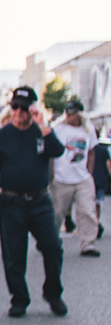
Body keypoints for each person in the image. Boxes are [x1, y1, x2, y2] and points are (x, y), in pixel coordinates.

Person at [0, 85, 66, 317]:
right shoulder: (1, 136)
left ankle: (53, 292)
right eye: (15, 106)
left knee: (53, 247)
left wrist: (44, 126)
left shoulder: (42, 132)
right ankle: (19, 298)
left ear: (33, 109)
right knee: (14, 254)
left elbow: (58, 152)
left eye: (25, 108)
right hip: (11, 202)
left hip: (40, 201)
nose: (19, 112)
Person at [49, 98, 100, 258]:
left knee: (87, 211)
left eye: (73, 114)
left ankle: (87, 244)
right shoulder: (58, 129)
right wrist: (50, 176)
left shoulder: (88, 129)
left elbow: (91, 151)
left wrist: (89, 173)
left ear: (79, 114)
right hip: (61, 177)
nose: (70, 116)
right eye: (68, 113)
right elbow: (50, 152)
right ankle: (49, 241)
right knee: (57, 213)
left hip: (82, 177)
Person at [93, 130, 110, 239]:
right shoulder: (103, 150)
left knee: (90, 204)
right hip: (101, 180)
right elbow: (109, 165)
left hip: (89, 179)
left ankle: (94, 224)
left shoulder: (86, 149)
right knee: (97, 204)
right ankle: (96, 222)